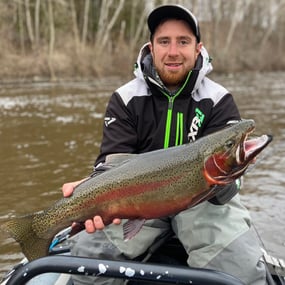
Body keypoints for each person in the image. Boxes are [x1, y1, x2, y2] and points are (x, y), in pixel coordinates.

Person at [62, 4, 267, 285]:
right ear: (151, 47)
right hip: (136, 202)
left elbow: (223, 193)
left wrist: (235, 173)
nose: (173, 51)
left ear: (198, 48)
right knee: (86, 269)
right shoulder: (124, 99)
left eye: (183, 41)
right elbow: (112, 167)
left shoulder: (219, 100)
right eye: (164, 41)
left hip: (204, 203)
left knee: (240, 274)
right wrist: (91, 195)